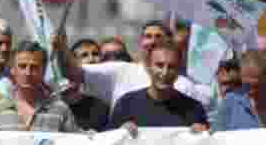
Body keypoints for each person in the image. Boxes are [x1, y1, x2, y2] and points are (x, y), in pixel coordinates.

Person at [58, 21, 211, 111]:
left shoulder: (184, 86)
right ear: (140, 42)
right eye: (148, 36)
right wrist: (61, 47)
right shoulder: (119, 71)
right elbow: (73, 72)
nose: (152, 41)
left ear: (169, 43)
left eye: (158, 37)